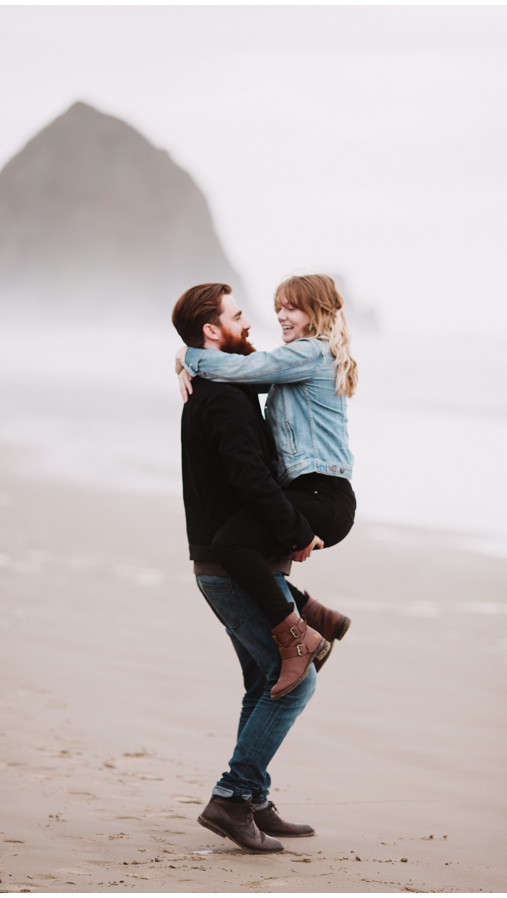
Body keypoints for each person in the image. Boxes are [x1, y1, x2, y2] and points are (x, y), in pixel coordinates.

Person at [171, 283, 349, 852]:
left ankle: (253, 799)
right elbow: (251, 477)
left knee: (262, 681)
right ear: (211, 330)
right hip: (228, 567)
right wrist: (298, 531)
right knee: (294, 685)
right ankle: (233, 796)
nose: (256, 322)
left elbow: (259, 370)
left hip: (228, 564)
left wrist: (183, 356)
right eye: (239, 316)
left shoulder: (221, 382)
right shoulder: (222, 393)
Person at [175, 274, 356, 698]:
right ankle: (315, 614)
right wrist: (187, 361)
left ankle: (299, 638)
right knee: (238, 544)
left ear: (317, 313)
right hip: (310, 492)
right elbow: (245, 377)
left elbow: (244, 367)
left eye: (292, 307)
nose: (280, 315)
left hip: (322, 496)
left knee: (231, 545)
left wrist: (188, 355)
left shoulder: (310, 353)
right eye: (279, 306)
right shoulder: (296, 360)